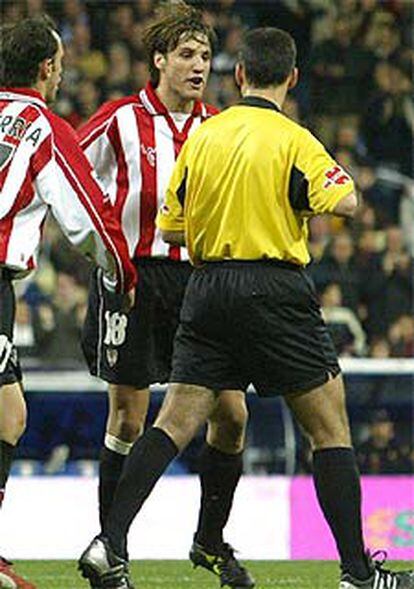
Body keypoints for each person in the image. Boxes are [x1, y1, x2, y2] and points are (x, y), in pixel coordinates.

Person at [79, 26, 414, 589]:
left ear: (237, 75)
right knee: (329, 424)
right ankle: (358, 575)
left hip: (204, 287)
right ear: (292, 78)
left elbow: (169, 225)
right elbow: (349, 200)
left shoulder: (205, 138)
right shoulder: (292, 138)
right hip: (274, 287)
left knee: (178, 418)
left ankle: (108, 541)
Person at [78, 2, 252, 588]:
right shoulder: (120, 118)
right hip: (133, 280)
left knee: (232, 414)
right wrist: (100, 248)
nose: (199, 65)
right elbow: (67, 171)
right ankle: (113, 551)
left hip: (202, 284)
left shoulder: (221, 127)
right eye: (186, 55)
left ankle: (208, 539)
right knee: (128, 416)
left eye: (205, 55)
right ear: (158, 60)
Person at [0, 15, 136, 589]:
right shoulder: (42, 126)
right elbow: (87, 217)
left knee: (9, 413)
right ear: (48, 68)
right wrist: (122, 271)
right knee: (8, 416)